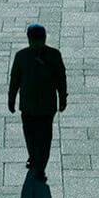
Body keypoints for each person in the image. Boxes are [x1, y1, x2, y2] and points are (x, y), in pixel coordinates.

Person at [8, 24, 67, 182]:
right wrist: (11, 99)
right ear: (29, 40)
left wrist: (63, 98)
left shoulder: (54, 55)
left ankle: (40, 167)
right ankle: (33, 157)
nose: (36, 44)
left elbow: (61, 78)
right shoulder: (21, 56)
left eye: (39, 40)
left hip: (47, 106)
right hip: (27, 105)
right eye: (34, 40)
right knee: (30, 135)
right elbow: (15, 79)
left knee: (45, 138)